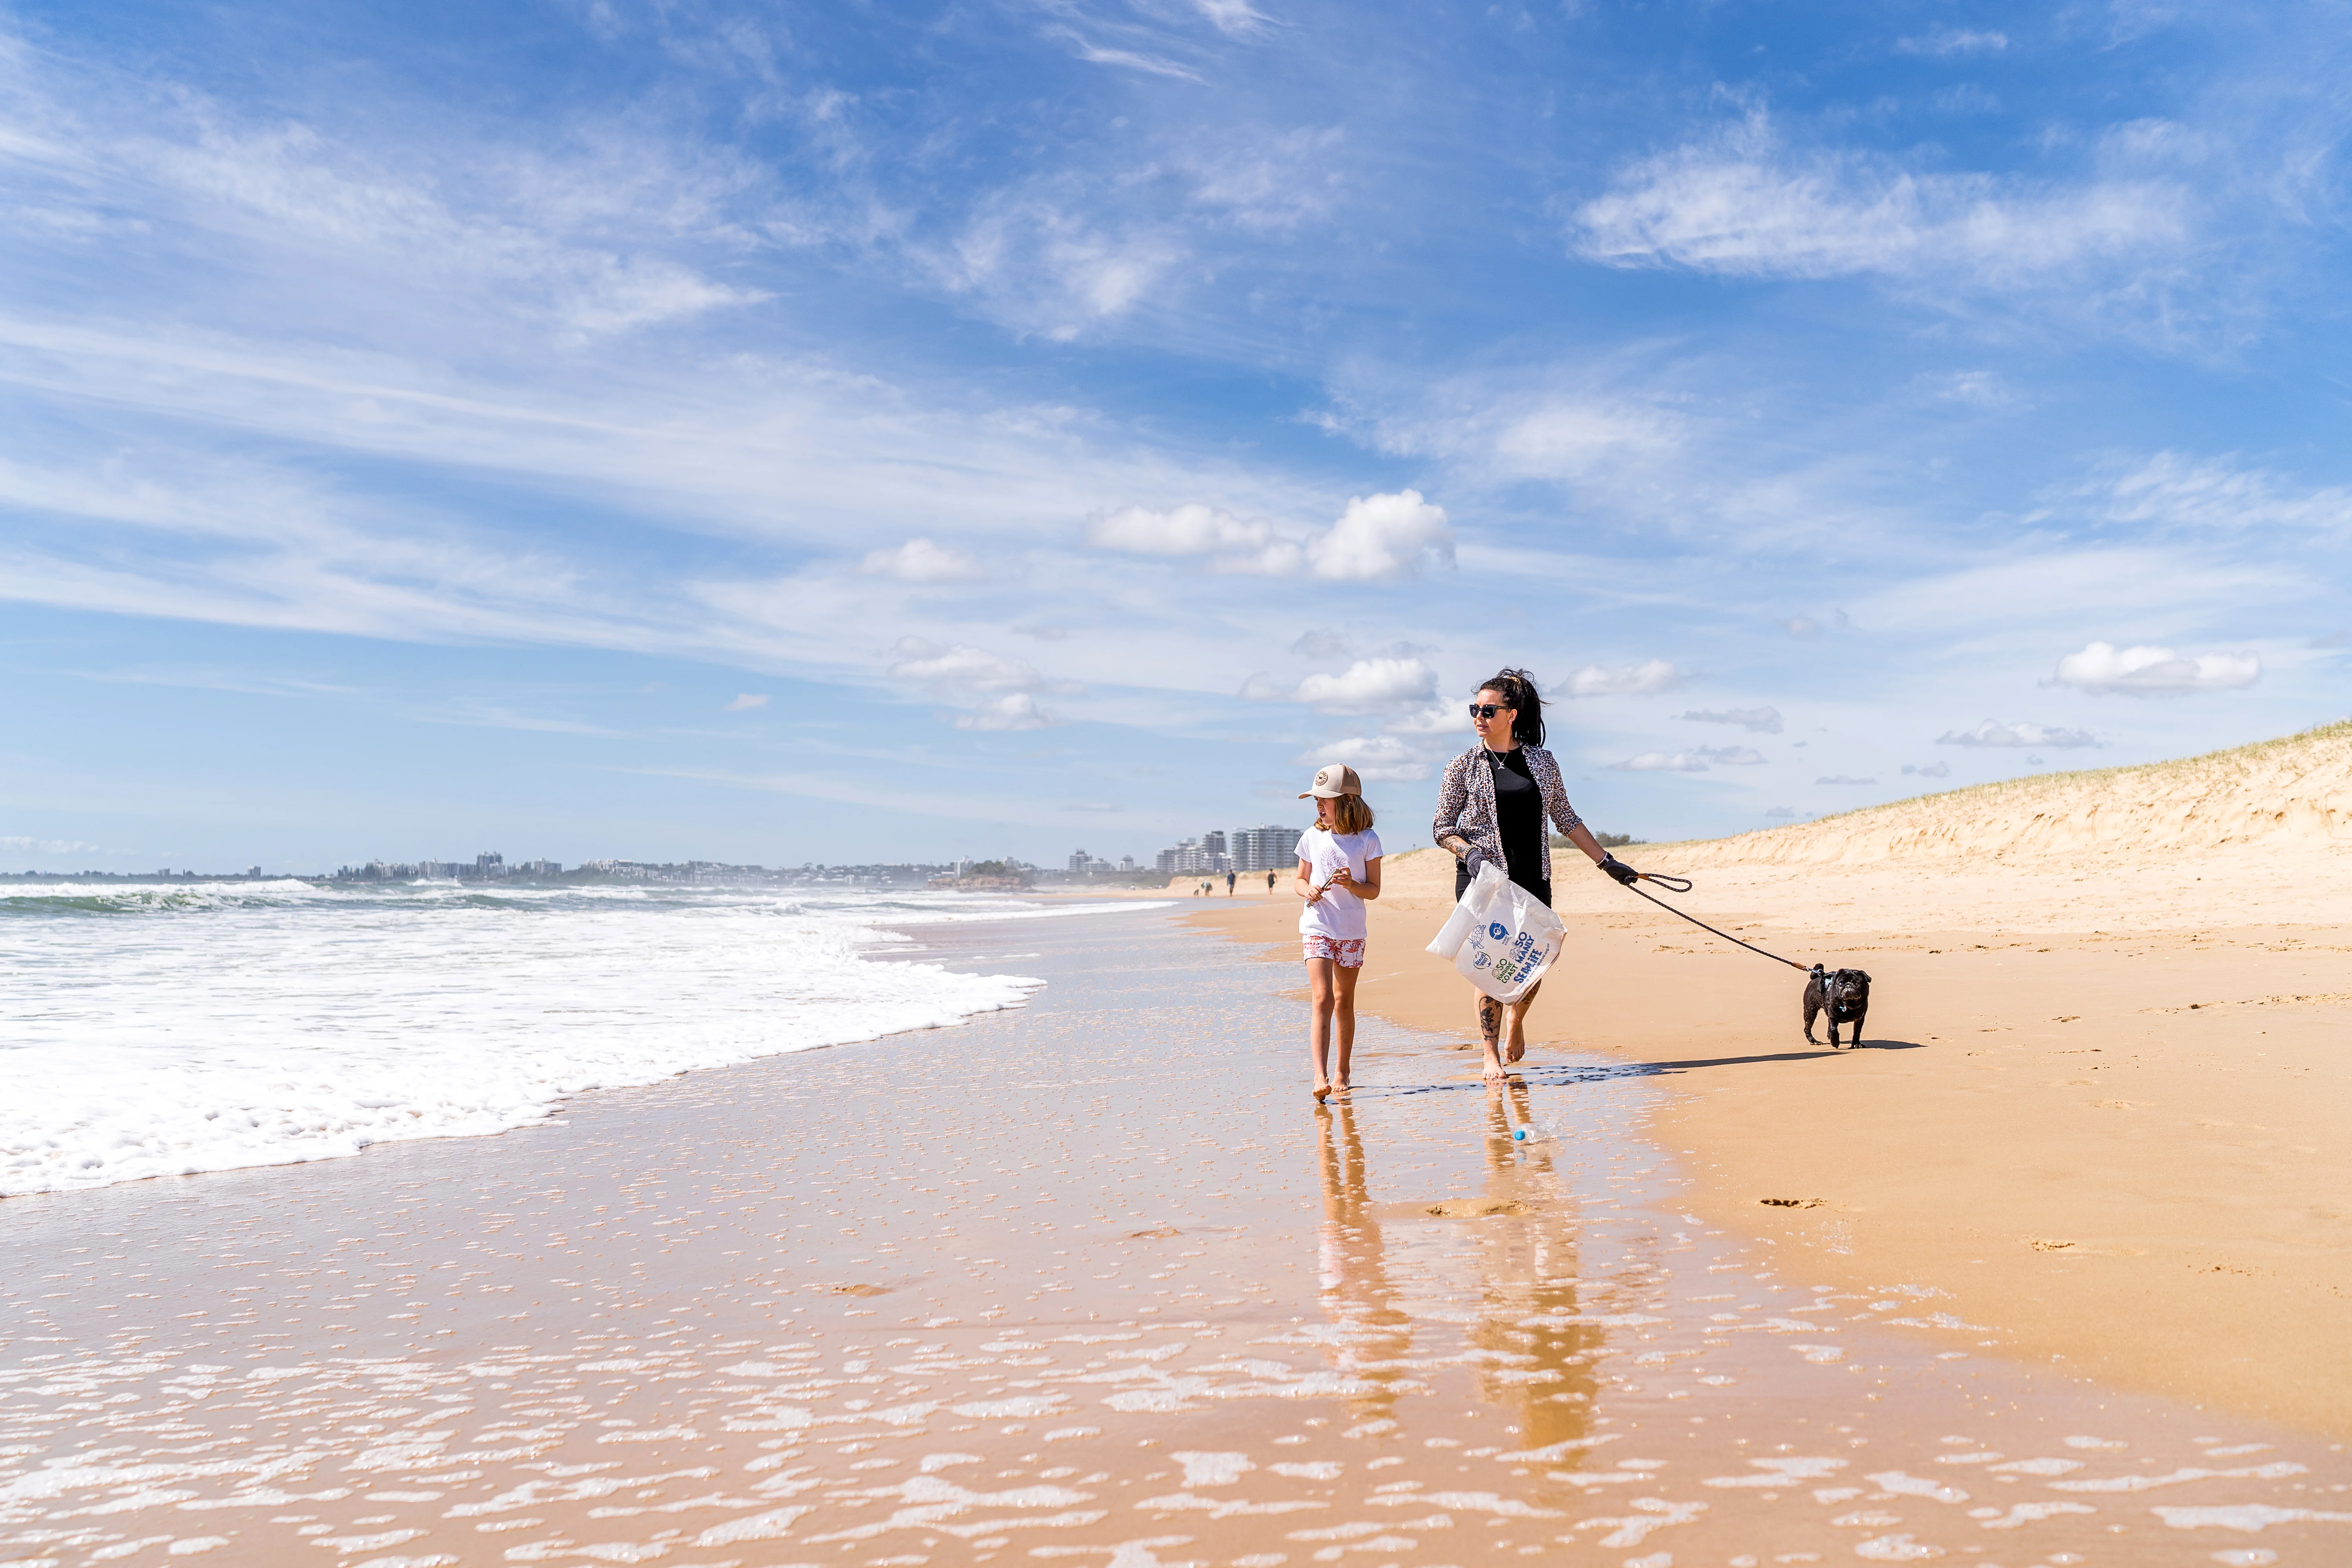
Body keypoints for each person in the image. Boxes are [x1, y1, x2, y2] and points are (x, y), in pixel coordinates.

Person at [1432, 668, 1644, 1081]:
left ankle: (1517, 1019)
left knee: (1534, 961)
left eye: (1488, 710)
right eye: (1474, 709)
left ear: (1511, 714)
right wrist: (1470, 853)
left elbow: (1565, 817)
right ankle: (1489, 1055)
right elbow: (1443, 827)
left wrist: (1606, 862)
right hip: (1483, 881)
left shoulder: (1542, 762)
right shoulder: (1461, 765)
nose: (1479, 716)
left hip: (1533, 877)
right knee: (1490, 967)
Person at [1295, 763, 1382, 1102]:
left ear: (1346, 800)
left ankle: (1343, 1071)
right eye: (1316, 799)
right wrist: (1309, 891)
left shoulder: (1367, 840)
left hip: (1351, 930)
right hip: (1317, 925)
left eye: (1325, 799)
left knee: (1344, 1001)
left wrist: (1353, 884)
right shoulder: (1311, 836)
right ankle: (1320, 1075)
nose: (1319, 806)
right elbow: (1300, 880)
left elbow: (1374, 890)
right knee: (1322, 998)